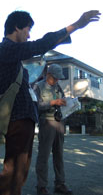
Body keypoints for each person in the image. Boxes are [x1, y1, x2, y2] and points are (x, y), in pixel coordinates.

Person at [0, 10, 100, 195]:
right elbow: (40, 45)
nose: (29, 34)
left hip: (23, 119)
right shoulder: (5, 48)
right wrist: (75, 25)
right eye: (27, 29)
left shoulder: (10, 52)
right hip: (17, 118)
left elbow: (39, 44)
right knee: (14, 170)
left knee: (18, 171)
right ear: (17, 27)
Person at [33, 64, 71, 195]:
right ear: (48, 75)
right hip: (46, 123)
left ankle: (60, 183)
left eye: (58, 78)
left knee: (59, 154)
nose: (57, 80)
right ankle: (41, 186)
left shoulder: (58, 87)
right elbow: (36, 105)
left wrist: (67, 103)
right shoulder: (38, 86)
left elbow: (63, 100)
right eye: (55, 78)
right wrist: (53, 102)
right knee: (43, 155)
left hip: (59, 122)